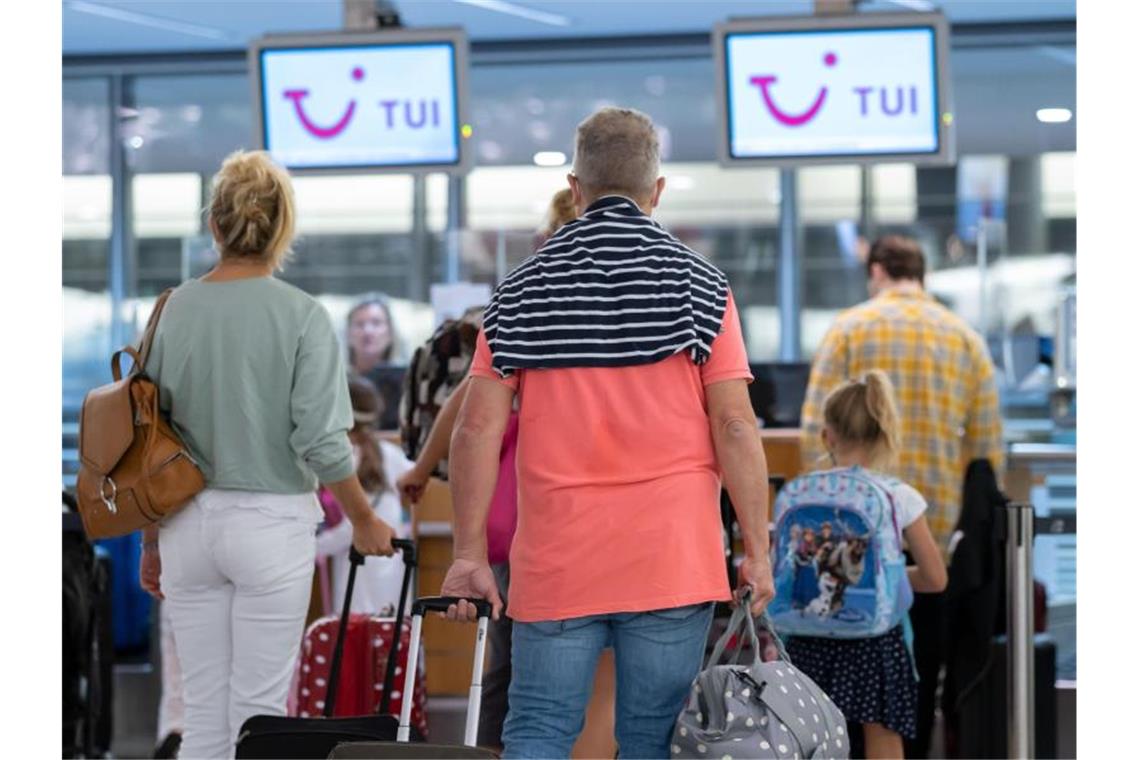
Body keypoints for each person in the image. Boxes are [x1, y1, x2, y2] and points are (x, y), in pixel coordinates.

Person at [436, 106, 775, 759]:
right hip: (671, 559)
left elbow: (475, 428)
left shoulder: (522, 289)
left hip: (558, 561)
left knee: (537, 729)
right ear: (657, 190)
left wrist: (469, 555)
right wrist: (756, 550)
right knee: (651, 736)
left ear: (574, 188)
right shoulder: (701, 286)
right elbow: (734, 421)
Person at [136, 150, 395, 759]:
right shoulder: (302, 315)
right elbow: (321, 439)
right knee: (258, 713)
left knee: (201, 714)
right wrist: (362, 517)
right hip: (270, 524)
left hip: (185, 526)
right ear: (284, 230)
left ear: (214, 227)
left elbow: (146, 436)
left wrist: (151, 543)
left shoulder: (172, 311)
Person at [799, 234, 1004, 758]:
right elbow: (986, 453)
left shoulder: (848, 328)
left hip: (846, 553)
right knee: (912, 679)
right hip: (929, 535)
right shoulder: (965, 338)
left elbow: (810, 431)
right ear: (923, 274)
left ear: (877, 272)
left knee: (832, 693)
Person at [397, 186, 580, 751]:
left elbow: (469, 406)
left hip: (516, 511)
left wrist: (424, 466)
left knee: (508, 652)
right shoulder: (619, 294)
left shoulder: (525, 294)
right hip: (577, 510)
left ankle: (495, 749)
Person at [786, 371, 948, 759]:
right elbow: (935, 577)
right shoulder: (899, 496)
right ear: (885, 434)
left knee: (814, 737)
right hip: (876, 640)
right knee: (883, 738)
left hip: (809, 634)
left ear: (827, 436)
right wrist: (886, 577)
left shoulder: (802, 492)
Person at [316, 374, 415, 614]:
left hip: (356, 575)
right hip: (393, 571)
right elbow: (415, 479)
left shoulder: (338, 458)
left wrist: (313, 548)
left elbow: (350, 528)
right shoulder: (391, 454)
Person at [347, 294, 402, 430]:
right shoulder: (335, 381)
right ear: (348, 334)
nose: (368, 331)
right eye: (359, 324)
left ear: (390, 333)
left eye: (376, 323)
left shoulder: (407, 381)